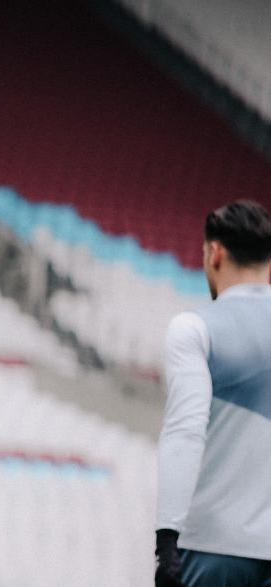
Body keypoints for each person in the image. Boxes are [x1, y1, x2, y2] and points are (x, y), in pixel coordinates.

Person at [154, 200, 271, 587]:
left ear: (215, 253)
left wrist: (167, 540)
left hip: (215, 548)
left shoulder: (195, 327)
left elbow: (185, 432)